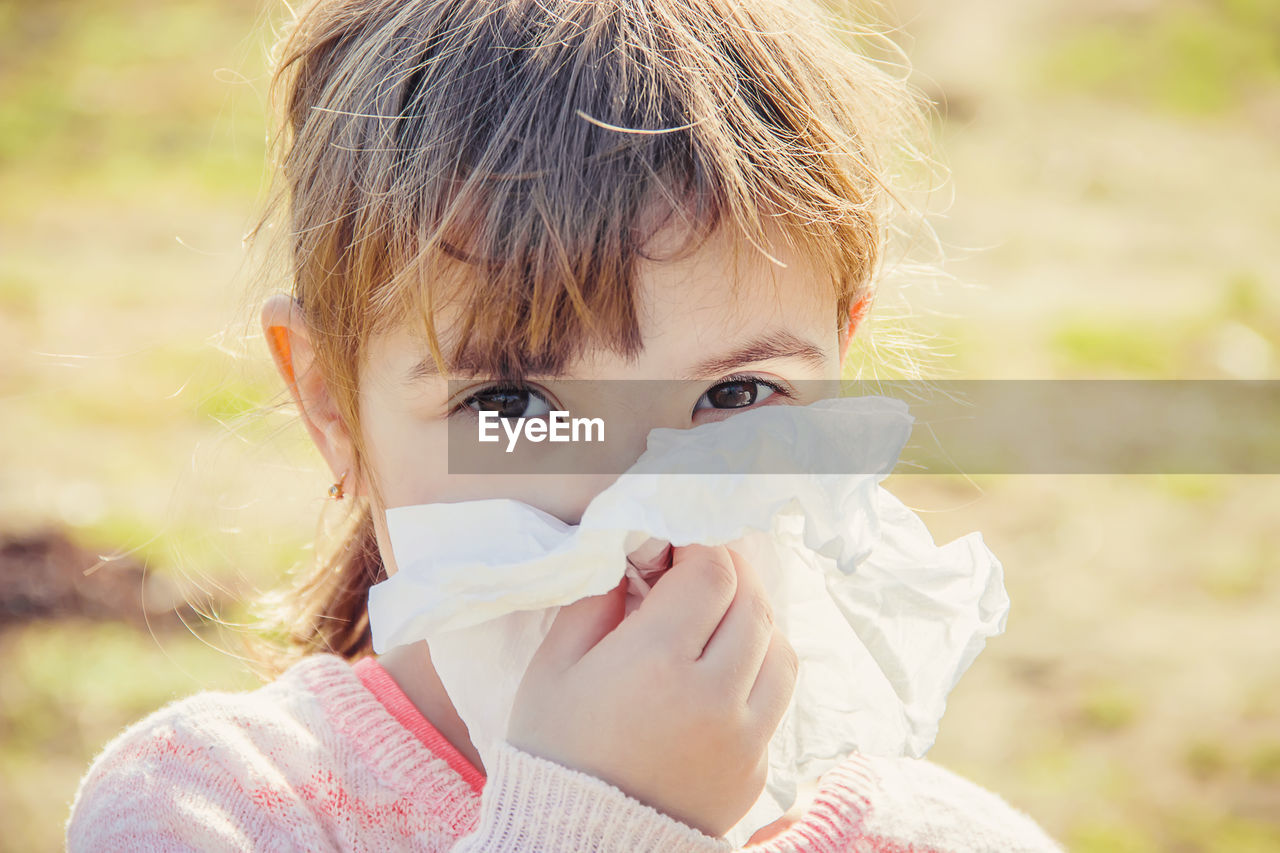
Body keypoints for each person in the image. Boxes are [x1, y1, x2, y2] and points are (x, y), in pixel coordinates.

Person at [66, 0, 1064, 849]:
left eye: (735, 397)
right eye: (512, 403)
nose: (631, 500)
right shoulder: (210, 805)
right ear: (334, 407)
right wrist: (597, 819)